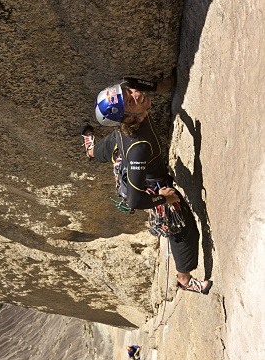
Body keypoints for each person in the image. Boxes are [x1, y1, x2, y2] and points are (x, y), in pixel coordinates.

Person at [81, 75, 212, 294]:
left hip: (119, 143)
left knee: (109, 145)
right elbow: (135, 199)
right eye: (130, 102)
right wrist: (165, 197)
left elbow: (129, 81)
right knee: (182, 230)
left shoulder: (125, 94)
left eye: (129, 94)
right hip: (151, 183)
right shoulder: (138, 148)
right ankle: (184, 280)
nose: (136, 95)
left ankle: (90, 150)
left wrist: (160, 86)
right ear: (129, 119)